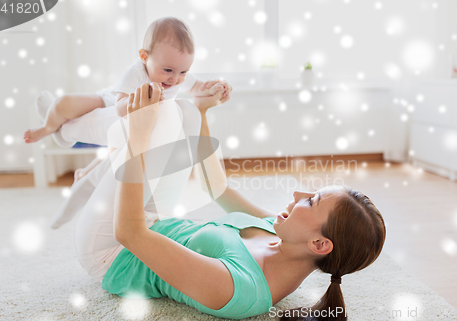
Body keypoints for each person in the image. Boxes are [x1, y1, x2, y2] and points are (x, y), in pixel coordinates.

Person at [73, 84, 386, 320]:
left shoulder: (241, 289)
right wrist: (204, 111)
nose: (297, 195)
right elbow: (217, 189)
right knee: (185, 112)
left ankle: (68, 131)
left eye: (311, 202)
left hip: (115, 251)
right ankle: (94, 167)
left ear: (319, 244)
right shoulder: (279, 234)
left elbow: (129, 234)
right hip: (155, 221)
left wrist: (136, 142)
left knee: (157, 120)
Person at [23, 16, 231, 145]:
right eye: (168, 70)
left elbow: (196, 89)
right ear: (144, 57)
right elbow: (120, 109)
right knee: (64, 104)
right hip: (107, 101)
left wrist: (215, 88)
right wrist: (142, 99)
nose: (175, 79)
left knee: (120, 154)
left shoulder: (177, 76)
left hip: (137, 128)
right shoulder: (135, 73)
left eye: (184, 72)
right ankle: (48, 128)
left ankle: (86, 171)